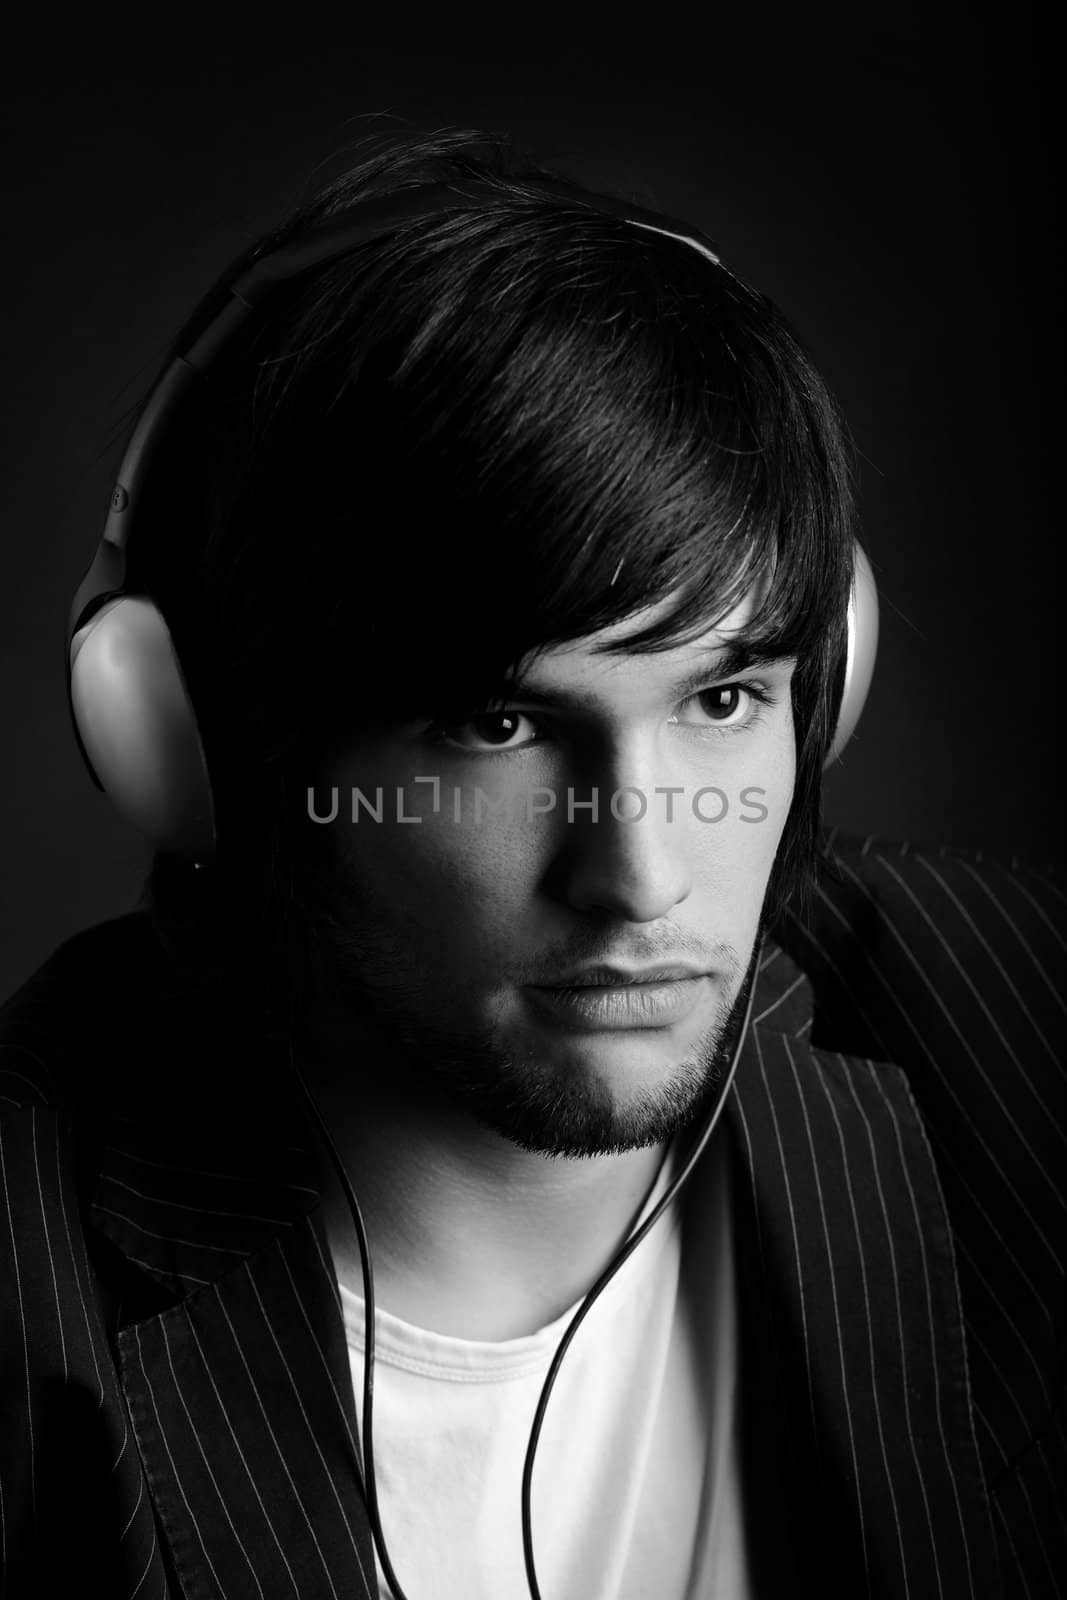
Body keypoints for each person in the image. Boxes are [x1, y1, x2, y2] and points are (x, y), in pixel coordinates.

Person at [1, 126, 1063, 1600]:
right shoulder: (20, 1288)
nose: (642, 875)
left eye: (723, 699)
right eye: (500, 725)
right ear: (195, 751)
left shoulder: (1020, 1031)